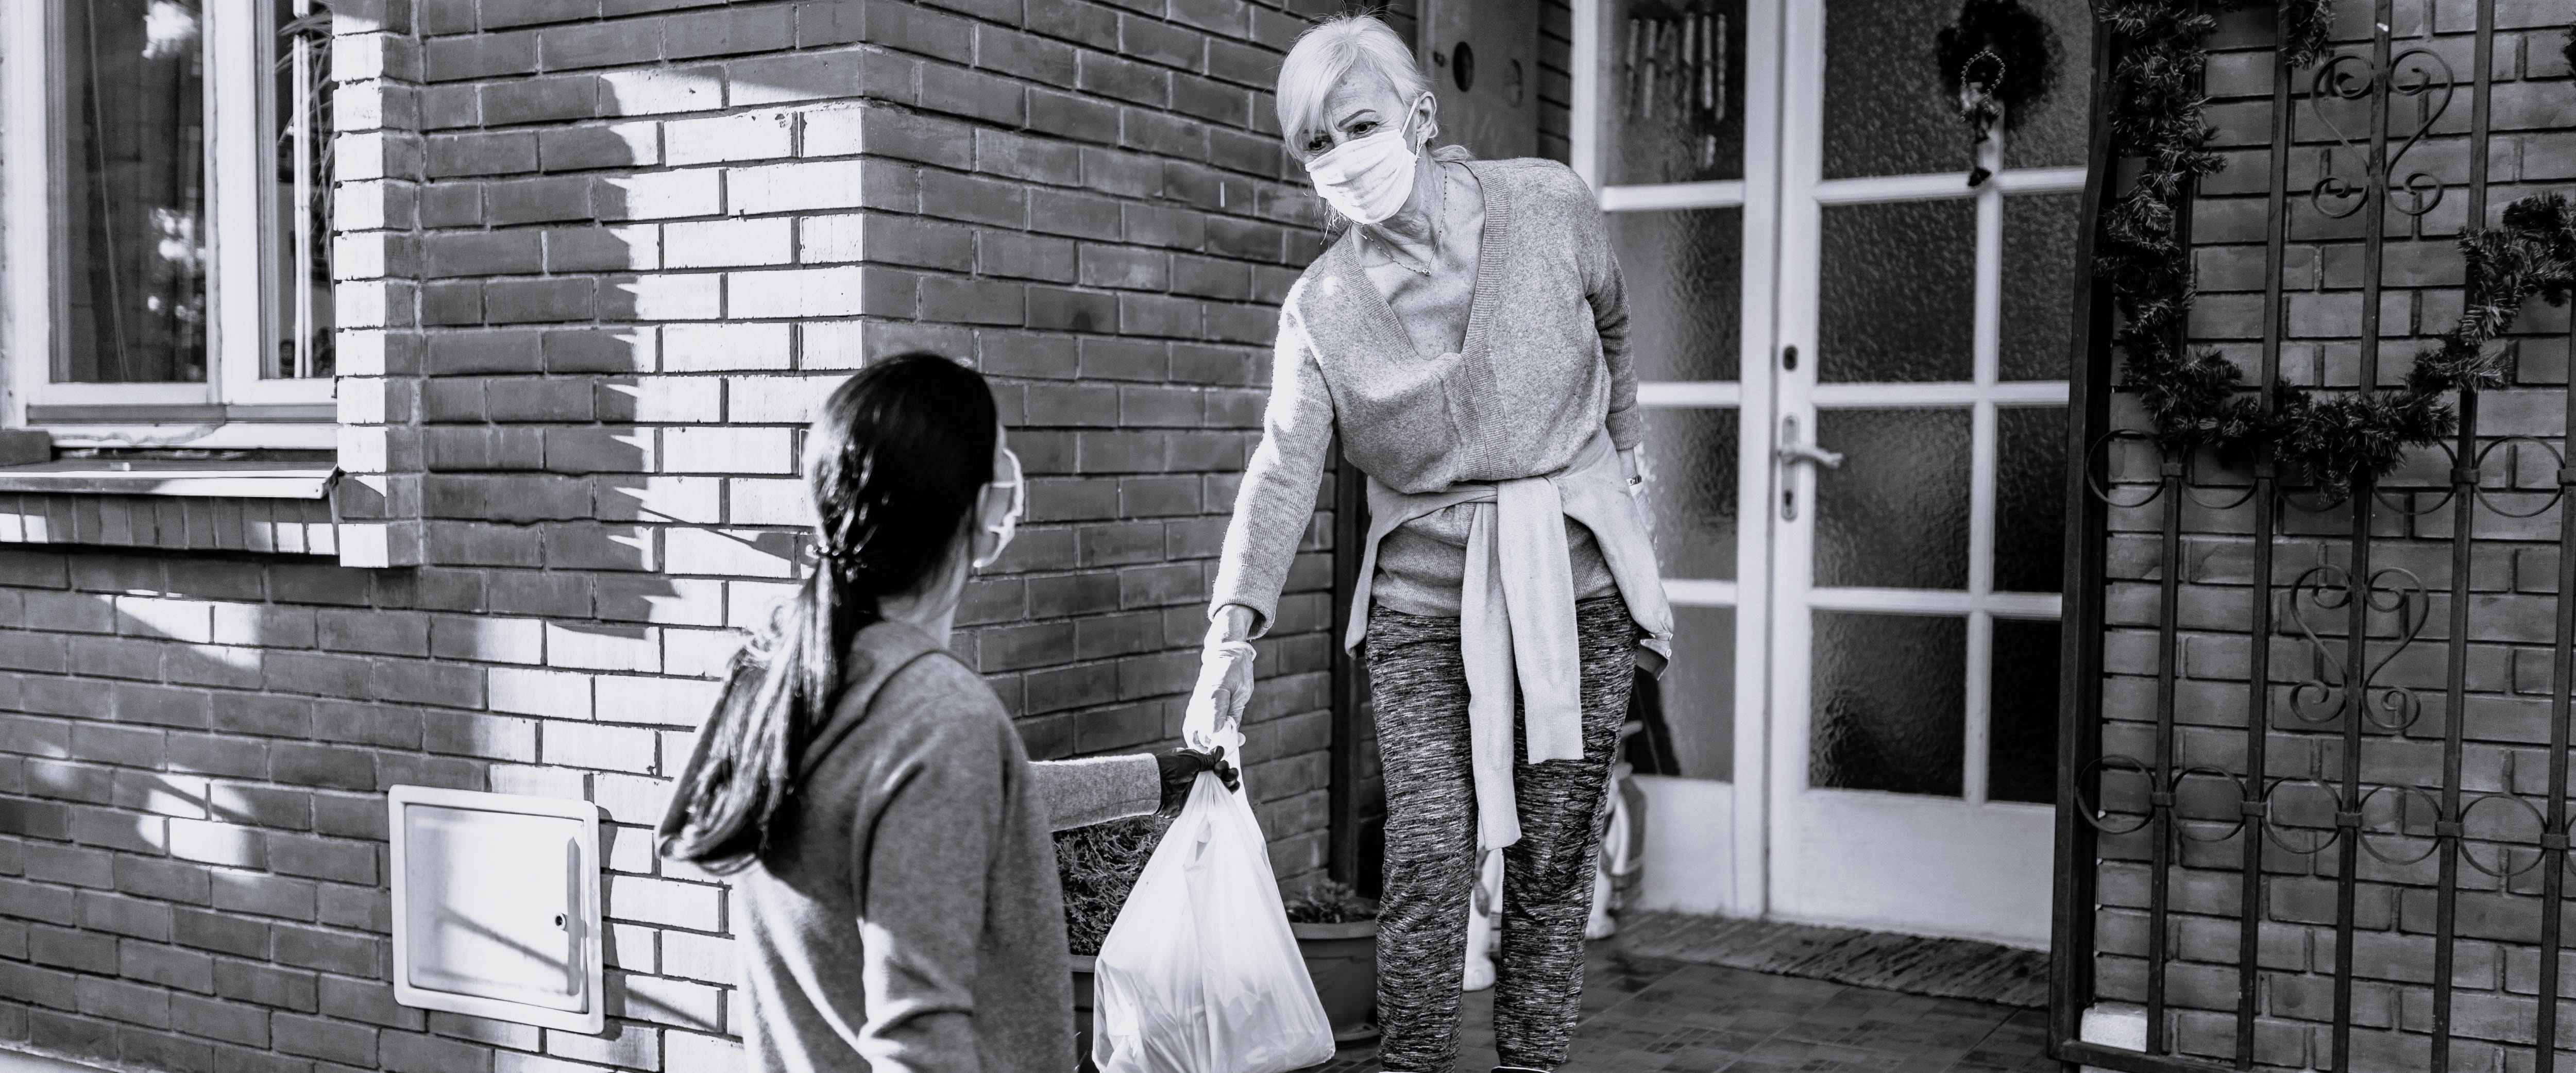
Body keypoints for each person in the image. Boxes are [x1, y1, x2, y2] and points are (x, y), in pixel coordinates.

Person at [1185, 14, 1672, 1073]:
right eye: (1314, 144)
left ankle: (1532, 1064)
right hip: (1418, 604)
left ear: (1418, 117)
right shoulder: (1320, 307)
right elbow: (1281, 470)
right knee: (1427, 855)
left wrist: (1631, 464)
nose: (1337, 161)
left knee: (1551, 860)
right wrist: (1232, 633)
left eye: (1354, 126)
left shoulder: (1548, 204)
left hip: (1575, 581)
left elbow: (1616, 329)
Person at [654, 353, 1236, 1072]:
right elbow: (920, 1043)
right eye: (1000, 456)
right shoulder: (938, 717)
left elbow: (958, 808)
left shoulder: (784, 675)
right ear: (972, 506)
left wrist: (1155, 779)